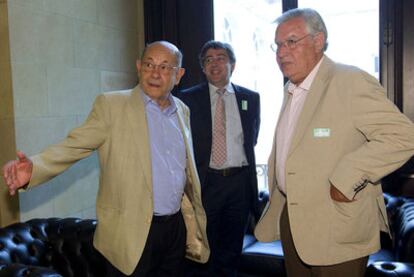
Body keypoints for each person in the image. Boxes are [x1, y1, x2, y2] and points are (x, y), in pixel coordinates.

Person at [2, 41, 210, 277]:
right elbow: (75, 145)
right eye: (149, 64)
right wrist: (35, 168)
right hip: (131, 234)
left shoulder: (182, 110)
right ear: (138, 66)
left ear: (179, 75)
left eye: (164, 67)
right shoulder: (112, 105)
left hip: (174, 229)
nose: (154, 73)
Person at [254, 8, 414, 277]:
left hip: (336, 227)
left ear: (318, 41)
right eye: (278, 44)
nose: (281, 52)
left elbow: (403, 136)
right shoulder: (291, 89)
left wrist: (347, 177)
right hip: (294, 225)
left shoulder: (349, 80)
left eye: (291, 42)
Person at [178, 40, 260, 276]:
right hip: (207, 183)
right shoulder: (187, 98)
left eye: (221, 57)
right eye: (208, 60)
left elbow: (251, 138)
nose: (215, 63)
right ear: (203, 68)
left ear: (232, 65)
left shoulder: (251, 98)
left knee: (232, 248)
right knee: (204, 248)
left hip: (239, 184)